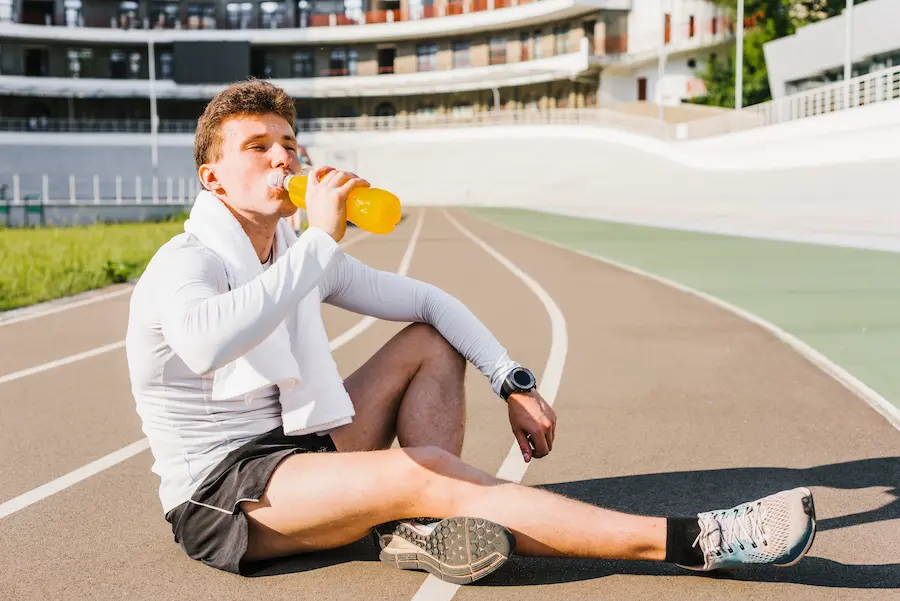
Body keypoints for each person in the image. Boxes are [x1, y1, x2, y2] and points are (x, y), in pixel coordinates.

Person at [125, 79, 816, 584]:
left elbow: (430, 301)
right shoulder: (186, 262)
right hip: (224, 493)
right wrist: (319, 245)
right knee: (421, 472)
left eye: (289, 145)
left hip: (293, 448)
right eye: (258, 147)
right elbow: (206, 342)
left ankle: (419, 518)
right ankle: (699, 538)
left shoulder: (287, 256)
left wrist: (512, 379)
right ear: (213, 178)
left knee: (429, 339)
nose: (283, 160)